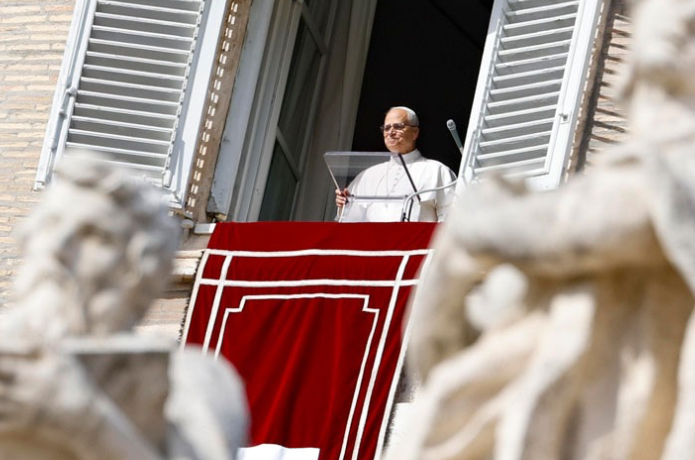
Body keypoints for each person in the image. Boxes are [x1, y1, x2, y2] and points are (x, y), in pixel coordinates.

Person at [335, 106, 456, 222]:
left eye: (398, 126)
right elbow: (351, 220)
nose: (390, 132)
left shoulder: (436, 170)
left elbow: (451, 218)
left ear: (415, 132)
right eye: (386, 128)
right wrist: (344, 205)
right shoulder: (368, 175)